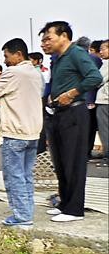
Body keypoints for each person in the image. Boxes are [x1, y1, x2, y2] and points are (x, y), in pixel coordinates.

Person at [39, 21, 103, 222]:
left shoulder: (76, 53)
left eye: (48, 38)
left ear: (64, 36)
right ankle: (65, 203)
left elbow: (95, 77)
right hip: (58, 113)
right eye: (42, 41)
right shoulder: (58, 59)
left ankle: (75, 210)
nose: (44, 44)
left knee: (73, 161)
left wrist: (73, 93)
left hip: (74, 113)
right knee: (61, 161)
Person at [0, 38, 43, 227]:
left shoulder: (13, 73)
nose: (5, 61)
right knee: (26, 174)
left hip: (15, 132)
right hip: (33, 132)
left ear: (18, 55)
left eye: (6, 56)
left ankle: (22, 217)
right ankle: (27, 211)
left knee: (14, 175)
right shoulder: (35, 73)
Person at [95, 39, 109, 167]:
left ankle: (107, 156)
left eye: (103, 48)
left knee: (105, 130)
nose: (101, 51)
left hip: (104, 100)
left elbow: (98, 80)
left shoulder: (106, 64)